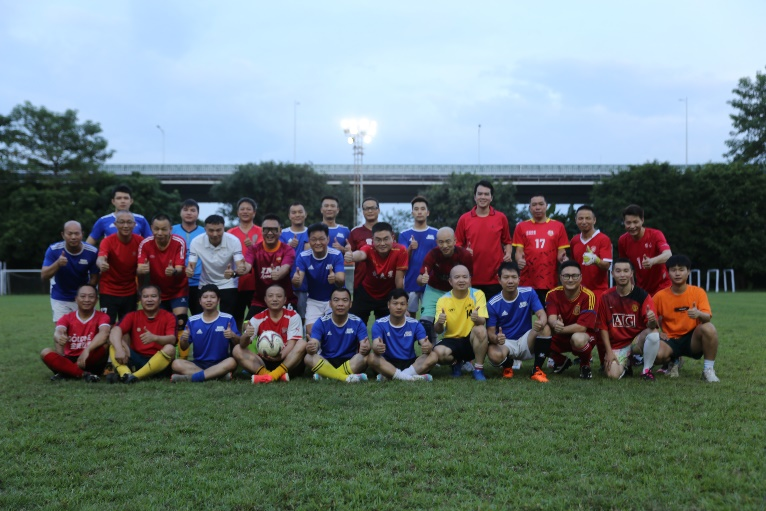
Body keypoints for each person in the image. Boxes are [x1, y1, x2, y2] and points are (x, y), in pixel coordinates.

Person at [652, 255, 720, 382]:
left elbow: (707, 318)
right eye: (673, 270)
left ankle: (708, 370)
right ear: (668, 273)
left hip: (691, 339)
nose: (677, 273)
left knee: (709, 328)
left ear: (688, 272)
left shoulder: (698, 292)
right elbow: (650, 319)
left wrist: (699, 314)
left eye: (681, 269)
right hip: (669, 339)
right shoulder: (659, 296)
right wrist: (657, 332)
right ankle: (673, 360)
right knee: (655, 355)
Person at [486, 262, 552, 382]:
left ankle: (537, 370)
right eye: (506, 277)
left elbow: (542, 314)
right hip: (505, 342)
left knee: (545, 328)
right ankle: (508, 366)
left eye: (514, 277)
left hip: (526, 340)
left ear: (519, 279)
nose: (510, 281)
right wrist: (497, 339)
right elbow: (490, 333)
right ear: (499, 280)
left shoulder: (529, 293)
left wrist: (541, 322)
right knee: (493, 354)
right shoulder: (492, 303)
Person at [597, 258, 661, 380]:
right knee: (612, 375)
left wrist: (652, 320)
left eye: (626, 271)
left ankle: (646, 370)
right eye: (618, 271)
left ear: (631, 273)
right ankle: (626, 364)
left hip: (636, 342)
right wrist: (609, 352)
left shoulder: (642, 295)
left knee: (653, 334)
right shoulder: (605, 296)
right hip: (618, 345)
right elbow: (602, 327)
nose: (622, 274)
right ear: (612, 274)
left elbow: (652, 326)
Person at [569, 204, 614, 368]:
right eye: (580, 218)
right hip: (579, 292)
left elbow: (607, 265)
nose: (584, 221)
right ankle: (584, 358)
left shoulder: (603, 239)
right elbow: (573, 266)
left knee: (600, 327)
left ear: (594, 220)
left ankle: (604, 361)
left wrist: (595, 260)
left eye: (588, 218)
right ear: (576, 220)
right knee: (580, 327)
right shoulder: (574, 240)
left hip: (598, 292)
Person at [234, 284, 307, 383]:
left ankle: (273, 375)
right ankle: (271, 375)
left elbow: (292, 343)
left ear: (285, 300)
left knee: (302, 343)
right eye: (270, 296)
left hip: (286, 360)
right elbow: (243, 344)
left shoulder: (293, 316)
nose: (274, 299)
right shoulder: (257, 318)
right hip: (264, 360)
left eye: (279, 296)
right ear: (265, 299)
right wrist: (247, 335)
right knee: (237, 349)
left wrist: (280, 356)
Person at [39, 284, 110, 382]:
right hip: (70, 358)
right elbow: (58, 331)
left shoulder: (102, 316)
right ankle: (83, 374)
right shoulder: (67, 317)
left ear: (96, 300)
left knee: (106, 344)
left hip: (90, 357)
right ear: (76, 299)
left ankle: (65, 372)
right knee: (45, 352)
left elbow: (104, 334)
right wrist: (59, 337)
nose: (87, 300)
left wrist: (87, 350)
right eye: (83, 296)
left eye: (91, 296)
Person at [455, 180, 513, 299]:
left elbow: (507, 242)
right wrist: (463, 252)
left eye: (486, 194)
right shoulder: (464, 219)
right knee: (474, 311)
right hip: (471, 278)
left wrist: (508, 253)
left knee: (494, 311)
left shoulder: (501, 218)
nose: (483, 197)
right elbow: (456, 246)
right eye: (480, 194)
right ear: (474, 197)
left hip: (496, 278)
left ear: (491, 197)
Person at [107, 284, 177, 383]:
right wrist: (119, 349)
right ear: (140, 300)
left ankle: (133, 377)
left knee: (170, 348)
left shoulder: (169, 316)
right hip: (137, 359)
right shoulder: (133, 315)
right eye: (145, 296)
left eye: (153, 296)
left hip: (159, 361)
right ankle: (126, 374)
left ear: (160, 300)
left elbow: (172, 339)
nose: (149, 300)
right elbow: (115, 330)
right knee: (114, 343)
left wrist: (155, 338)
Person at [170, 284, 239, 382]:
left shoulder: (228, 318)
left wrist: (233, 335)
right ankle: (217, 376)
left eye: (213, 297)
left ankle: (193, 377)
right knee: (176, 363)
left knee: (232, 362)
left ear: (218, 300)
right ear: (200, 301)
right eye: (205, 297)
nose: (209, 300)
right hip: (198, 363)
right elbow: (184, 347)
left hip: (220, 363)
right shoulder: (192, 320)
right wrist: (184, 339)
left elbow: (238, 343)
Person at [433, 265, 489, 381]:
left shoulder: (478, 294)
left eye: (465, 277)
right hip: (451, 340)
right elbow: (438, 330)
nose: (461, 280)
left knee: (480, 329)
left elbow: (482, 321)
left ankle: (478, 369)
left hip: (470, 340)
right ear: (450, 281)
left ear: (470, 279)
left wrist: (476, 318)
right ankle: (455, 363)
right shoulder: (443, 300)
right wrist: (439, 322)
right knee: (438, 353)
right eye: (457, 277)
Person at [417, 227, 473, 343]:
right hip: (434, 289)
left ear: (455, 240)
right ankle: (430, 350)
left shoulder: (465, 255)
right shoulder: (432, 254)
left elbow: (469, 280)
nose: (445, 245)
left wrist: (470, 299)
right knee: (425, 323)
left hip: (455, 291)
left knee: (460, 323)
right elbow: (419, 278)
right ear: (437, 242)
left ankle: (458, 351)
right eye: (441, 242)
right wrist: (422, 279)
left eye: (448, 241)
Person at [345, 222, 408, 324]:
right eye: (378, 240)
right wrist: (351, 255)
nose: (382, 243)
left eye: (386, 239)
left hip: (388, 294)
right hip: (366, 292)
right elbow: (361, 254)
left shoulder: (401, 250)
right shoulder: (369, 248)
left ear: (392, 238)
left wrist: (400, 301)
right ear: (373, 240)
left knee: (386, 328)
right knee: (354, 325)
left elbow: (399, 280)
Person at [368, 289, 437, 382]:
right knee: (371, 357)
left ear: (407, 306)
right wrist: (378, 347)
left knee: (433, 355)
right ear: (388, 305)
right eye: (395, 303)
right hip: (388, 363)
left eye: (402, 304)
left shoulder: (415, 324)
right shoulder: (379, 324)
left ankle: (393, 376)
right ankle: (410, 378)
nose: (399, 307)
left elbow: (425, 343)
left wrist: (427, 346)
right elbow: (376, 344)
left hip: (410, 363)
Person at [304, 287, 371, 383]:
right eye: (336, 300)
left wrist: (365, 347)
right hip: (327, 361)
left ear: (350, 304)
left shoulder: (358, 322)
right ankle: (345, 378)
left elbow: (365, 344)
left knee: (365, 357)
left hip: (350, 361)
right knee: (308, 357)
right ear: (330, 303)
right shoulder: (321, 322)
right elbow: (315, 342)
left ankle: (327, 375)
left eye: (345, 300)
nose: (340, 304)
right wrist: (312, 347)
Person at [545, 261, 598, 379]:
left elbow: (582, 327)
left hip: (583, 335)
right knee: (538, 335)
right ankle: (560, 361)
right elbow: (551, 318)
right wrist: (555, 323)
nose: (570, 279)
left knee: (578, 338)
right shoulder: (552, 294)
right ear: (560, 277)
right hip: (561, 334)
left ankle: (585, 364)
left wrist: (560, 329)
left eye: (574, 276)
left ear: (581, 277)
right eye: (566, 276)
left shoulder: (589, 295)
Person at [513, 195, 570, 305]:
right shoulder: (521, 226)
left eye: (541, 204)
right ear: (530, 207)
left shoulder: (558, 226)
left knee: (549, 312)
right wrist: (519, 260)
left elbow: (561, 253)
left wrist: (564, 259)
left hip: (549, 280)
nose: (537, 207)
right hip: (527, 281)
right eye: (534, 205)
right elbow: (519, 252)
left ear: (546, 206)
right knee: (526, 313)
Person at [187, 214, 246, 317]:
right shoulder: (196, 242)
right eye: (211, 230)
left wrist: (234, 272)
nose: (215, 234)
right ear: (205, 229)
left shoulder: (234, 241)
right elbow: (191, 265)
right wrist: (189, 271)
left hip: (228, 282)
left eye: (218, 230)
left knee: (228, 316)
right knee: (200, 315)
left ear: (224, 228)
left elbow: (240, 267)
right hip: (205, 282)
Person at [292, 223, 346, 336]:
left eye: (321, 239)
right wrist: (295, 280)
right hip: (314, 300)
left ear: (328, 239)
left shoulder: (336, 255)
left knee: (333, 332)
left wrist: (335, 278)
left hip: (334, 299)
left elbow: (341, 280)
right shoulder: (303, 256)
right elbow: (298, 281)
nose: (317, 243)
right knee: (311, 333)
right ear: (309, 240)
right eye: (314, 239)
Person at [41, 220, 99, 322]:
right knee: (62, 329)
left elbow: (94, 277)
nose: (73, 237)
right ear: (63, 235)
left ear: (82, 234)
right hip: (60, 297)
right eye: (69, 233)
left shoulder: (92, 252)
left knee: (83, 330)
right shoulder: (54, 250)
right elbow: (44, 275)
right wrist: (58, 263)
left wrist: (85, 295)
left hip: (83, 299)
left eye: (77, 233)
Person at [137, 213, 188, 323]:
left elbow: (179, 269)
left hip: (178, 289)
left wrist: (173, 271)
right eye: (156, 229)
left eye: (164, 229)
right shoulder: (145, 244)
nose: (160, 233)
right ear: (151, 228)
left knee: (180, 322)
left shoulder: (179, 242)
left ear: (170, 229)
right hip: (157, 291)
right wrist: (141, 270)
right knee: (161, 324)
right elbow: (140, 268)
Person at [244, 214, 297, 318]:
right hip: (260, 301)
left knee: (293, 326)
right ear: (262, 231)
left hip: (285, 300)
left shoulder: (287, 249)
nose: (269, 233)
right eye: (266, 229)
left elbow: (285, 268)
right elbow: (247, 266)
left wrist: (279, 273)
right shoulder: (254, 249)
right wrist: (238, 271)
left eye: (274, 229)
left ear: (280, 231)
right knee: (247, 326)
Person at [96, 210, 143, 324]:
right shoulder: (107, 241)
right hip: (108, 290)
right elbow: (101, 258)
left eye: (129, 222)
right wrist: (101, 263)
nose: (125, 226)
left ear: (134, 224)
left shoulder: (140, 242)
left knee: (127, 326)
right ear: (115, 224)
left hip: (130, 292)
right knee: (107, 325)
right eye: (121, 222)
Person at [398, 196, 438, 319]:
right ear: (412, 213)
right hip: (410, 283)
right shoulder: (404, 234)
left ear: (428, 212)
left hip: (431, 285)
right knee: (410, 318)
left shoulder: (436, 233)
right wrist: (410, 248)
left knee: (430, 318)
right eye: (416, 209)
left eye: (422, 209)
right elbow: (402, 259)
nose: (419, 212)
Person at [618, 204, 672, 295]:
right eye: (628, 223)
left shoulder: (655, 235)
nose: (632, 226)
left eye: (635, 222)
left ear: (642, 220)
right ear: (624, 222)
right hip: (642, 290)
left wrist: (652, 261)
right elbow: (626, 267)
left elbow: (668, 255)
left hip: (663, 287)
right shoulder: (622, 240)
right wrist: (632, 289)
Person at [227, 198, 263, 327]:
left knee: (257, 319)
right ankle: (236, 340)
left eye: (249, 209)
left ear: (254, 213)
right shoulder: (230, 233)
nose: (245, 211)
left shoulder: (262, 232)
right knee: (236, 317)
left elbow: (267, 254)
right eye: (242, 209)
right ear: (237, 212)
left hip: (257, 282)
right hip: (236, 283)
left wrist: (253, 247)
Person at [172, 199, 206, 316]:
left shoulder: (205, 232)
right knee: (179, 318)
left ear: (198, 213)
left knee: (200, 316)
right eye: (185, 210)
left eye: (192, 210)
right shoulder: (171, 230)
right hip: (177, 282)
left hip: (199, 282)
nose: (189, 213)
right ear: (180, 212)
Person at [86, 184, 151, 245]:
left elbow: (151, 242)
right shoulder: (103, 220)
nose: (122, 201)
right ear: (113, 201)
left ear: (131, 201)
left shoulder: (141, 219)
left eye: (126, 198)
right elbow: (88, 244)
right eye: (119, 198)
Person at [280, 202, 310, 318]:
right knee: (286, 318)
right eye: (294, 212)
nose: (297, 215)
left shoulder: (311, 232)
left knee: (304, 318)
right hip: (286, 285)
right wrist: (288, 246)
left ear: (305, 214)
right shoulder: (282, 233)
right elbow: (276, 255)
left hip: (306, 286)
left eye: (300, 212)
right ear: (289, 216)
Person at [348, 196, 380, 291]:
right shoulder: (355, 232)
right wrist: (345, 250)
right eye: (366, 208)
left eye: (373, 208)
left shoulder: (387, 231)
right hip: (360, 283)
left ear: (378, 210)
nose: (370, 211)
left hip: (383, 282)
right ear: (363, 211)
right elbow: (349, 255)